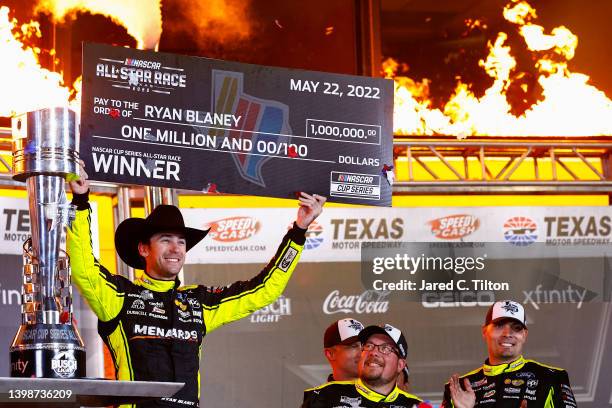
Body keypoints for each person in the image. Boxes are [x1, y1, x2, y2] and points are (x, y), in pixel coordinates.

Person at [67, 163, 325, 408]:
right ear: (144, 248)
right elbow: (83, 267)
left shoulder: (199, 303)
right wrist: (80, 202)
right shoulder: (120, 296)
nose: (175, 249)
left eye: (181, 242)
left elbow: (264, 290)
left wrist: (299, 231)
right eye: (165, 240)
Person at [442, 300, 577, 408]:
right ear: (484, 332)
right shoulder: (458, 388)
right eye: (499, 325)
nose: (507, 333)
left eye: (516, 328)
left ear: (524, 335)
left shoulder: (551, 377)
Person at [302, 324, 422, 407]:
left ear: (400, 365)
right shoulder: (321, 397)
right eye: (369, 346)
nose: (374, 352)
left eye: (385, 348)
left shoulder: (418, 406)